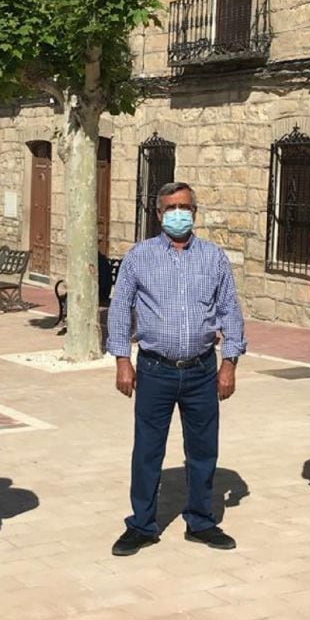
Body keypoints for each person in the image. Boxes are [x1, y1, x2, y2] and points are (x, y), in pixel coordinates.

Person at [106, 181, 246, 556]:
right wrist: (122, 360)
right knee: (148, 451)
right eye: (170, 208)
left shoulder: (213, 258)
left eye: (184, 206)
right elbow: (121, 309)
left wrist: (229, 363)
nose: (178, 213)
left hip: (202, 370)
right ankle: (142, 524)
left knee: (203, 450)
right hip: (154, 369)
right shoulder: (139, 256)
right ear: (158, 214)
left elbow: (230, 310)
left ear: (195, 213)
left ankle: (200, 521)